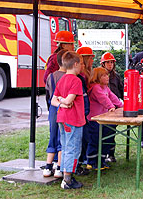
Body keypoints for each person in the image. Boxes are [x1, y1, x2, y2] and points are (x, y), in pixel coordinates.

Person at [51, 51, 85, 189]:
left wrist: (61, 102)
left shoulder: (61, 79)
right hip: (74, 119)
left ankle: (65, 174)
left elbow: (53, 100)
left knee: (65, 147)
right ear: (75, 64)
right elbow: (70, 99)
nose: (82, 67)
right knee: (73, 148)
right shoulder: (76, 80)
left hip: (62, 118)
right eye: (81, 64)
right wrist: (65, 101)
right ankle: (68, 180)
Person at [86, 67, 123, 170]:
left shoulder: (105, 87)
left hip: (103, 119)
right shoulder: (96, 87)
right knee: (95, 140)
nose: (107, 77)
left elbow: (112, 97)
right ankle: (92, 161)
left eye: (107, 75)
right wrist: (111, 107)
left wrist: (120, 105)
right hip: (94, 120)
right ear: (97, 77)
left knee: (106, 138)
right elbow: (104, 99)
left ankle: (101, 160)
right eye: (104, 75)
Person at [42, 49, 68, 178]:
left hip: (53, 108)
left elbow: (48, 93)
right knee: (62, 137)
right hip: (64, 107)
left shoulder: (51, 76)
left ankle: (47, 166)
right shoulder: (69, 77)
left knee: (53, 135)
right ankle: (59, 166)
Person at [100, 52, 123, 162]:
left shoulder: (116, 77)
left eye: (111, 62)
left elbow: (121, 91)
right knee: (103, 133)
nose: (110, 64)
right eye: (107, 62)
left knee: (111, 132)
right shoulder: (98, 75)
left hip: (114, 109)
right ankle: (102, 156)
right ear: (103, 64)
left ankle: (111, 154)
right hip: (101, 110)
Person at [74, 47, 94, 175]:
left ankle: (83, 161)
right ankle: (80, 163)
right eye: (91, 57)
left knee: (86, 137)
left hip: (86, 112)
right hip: (83, 113)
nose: (93, 60)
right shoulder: (81, 76)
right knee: (82, 139)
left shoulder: (87, 73)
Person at [44, 31, 75, 110]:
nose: (73, 46)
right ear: (63, 45)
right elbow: (47, 77)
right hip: (58, 99)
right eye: (71, 44)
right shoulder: (55, 58)